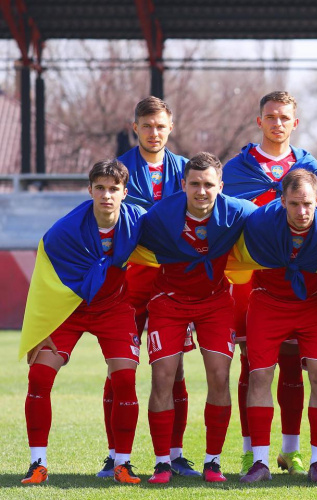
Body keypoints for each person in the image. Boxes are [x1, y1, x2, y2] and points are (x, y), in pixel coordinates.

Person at [223, 91, 317, 476]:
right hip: (252, 281)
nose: (278, 123)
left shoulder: (308, 167)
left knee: (296, 365)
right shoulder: (237, 169)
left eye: (285, 117)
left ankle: (293, 449)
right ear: (260, 121)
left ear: (294, 123)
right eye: (271, 116)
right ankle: (253, 450)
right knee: (252, 365)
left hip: (301, 281)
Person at [20, 159, 145, 485]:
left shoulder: (138, 222)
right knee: (39, 376)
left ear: (124, 193)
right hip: (69, 310)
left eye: (113, 189)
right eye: (100, 188)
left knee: (124, 381)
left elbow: (170, 247)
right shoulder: (63, 232)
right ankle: (37, 464)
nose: (106, 195)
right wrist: (39, 329)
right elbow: (44, 279)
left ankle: (123, 463)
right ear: (89, 190)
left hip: (115, 308)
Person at [134, 152, 256, 484]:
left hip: (215, 302)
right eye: (195, 184)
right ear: (183, 185)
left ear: (221, 186)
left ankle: (212, 462)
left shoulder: (237, 212)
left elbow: (272, 222)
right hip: (168, 302)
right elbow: (126, 239)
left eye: (209, 185)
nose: (202, 191)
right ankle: (162, 463)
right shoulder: (160, 216)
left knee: (219, 377)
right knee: (163, 378)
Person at [230, 169, 317, 484]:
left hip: (313, 304)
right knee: (259, 374)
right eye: (294, 204)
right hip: (267, 301)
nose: (302, 212)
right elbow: (229, 250)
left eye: (307, 204)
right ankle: (259, 461)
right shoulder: (259, 222)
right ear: (282, 201)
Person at [94, 96, 197, 479]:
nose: (154, 133)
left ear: (171, 128)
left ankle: (174, 453)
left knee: (176, 368)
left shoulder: (187, 171)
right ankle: (114, 455)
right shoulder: (117, 172)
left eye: (161, 126)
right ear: (134, 127)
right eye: (147, 126)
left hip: (171, 281)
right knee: (118, 368)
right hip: (129, 282)